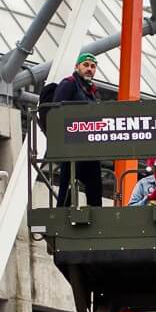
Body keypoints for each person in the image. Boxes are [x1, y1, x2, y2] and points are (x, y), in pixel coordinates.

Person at [39, 49, 104, 207]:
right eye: (86, 65)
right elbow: (56, 110)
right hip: (72, 144)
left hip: (89, 146)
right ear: (77, 67)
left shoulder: (93, 92)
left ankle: (95, 213)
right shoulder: (69, 84)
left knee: (95, 184)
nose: (89, 69)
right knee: (68, 182)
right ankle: (63, 211)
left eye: (93, 66)